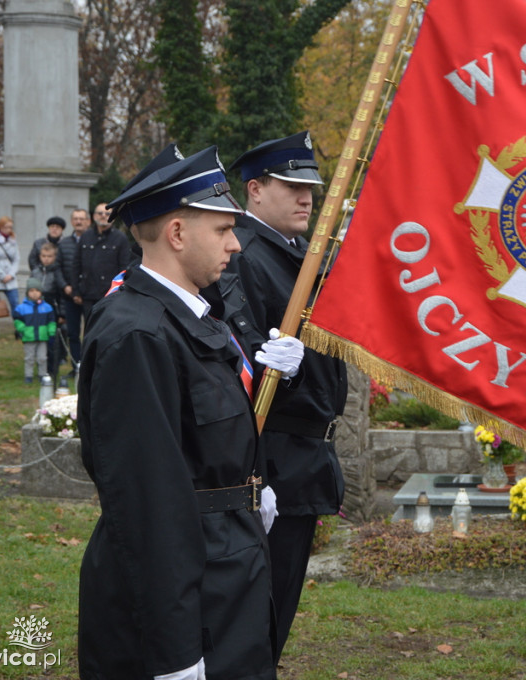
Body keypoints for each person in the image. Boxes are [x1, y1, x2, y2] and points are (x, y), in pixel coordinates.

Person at [77, 143, 303, 680]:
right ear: (177, 234)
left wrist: (251, 486)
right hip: (188, 589)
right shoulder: (137, 332)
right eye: (223, 231)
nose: (236, 246)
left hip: (224, 568)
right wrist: (175, 651)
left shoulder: (192, 317)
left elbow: (212, 437)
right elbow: (147, 503)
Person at [225, 130, 347, 661]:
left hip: (303, 457)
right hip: (272, 455)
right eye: (292, 185)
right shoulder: (246, 254)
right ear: (254, 190)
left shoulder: (294, 250)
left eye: (311, 188)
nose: (307, 198)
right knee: (256, 619)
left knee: (274, 617)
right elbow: (239, 357)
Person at [71, 202, 130, 323]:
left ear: (113, 217)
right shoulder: (85, 236)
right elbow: (76, 265)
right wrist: (75, 291)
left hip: (110, 294)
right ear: (94, 216)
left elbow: (124, 268)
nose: (103, 215)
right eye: (100, 213)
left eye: (107, 213)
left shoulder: (121, 238)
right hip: (88, 293)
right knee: (89, 328)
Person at [59, 208, 88, 373]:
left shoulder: (93, 241)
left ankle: (88, 365)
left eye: (81, 219)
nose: (78, 221)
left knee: (91, 332)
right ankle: (76, 365)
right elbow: (57, 268)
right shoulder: (64, 244)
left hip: (90, 294)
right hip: (69, 295)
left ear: (87, 221)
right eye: (76, 219)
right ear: (71, 222)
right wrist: (65, 286)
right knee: (73, 333)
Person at [31, 241, 65, 377]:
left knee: (52, 341)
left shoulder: (57, 273)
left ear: (54, 257)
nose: (46, 259)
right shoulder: (35, 272)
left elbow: (61, 295)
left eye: (49, 256)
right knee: (38, 339)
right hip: (37, 309)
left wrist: (62, 313)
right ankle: (40, 368)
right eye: (44, 256)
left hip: (52, 308)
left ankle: (52, 369)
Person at [12, 278, 56, 384]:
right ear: (27, 293)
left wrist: (51, 333)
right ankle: (28, 376)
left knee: (42, 358)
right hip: (29, 337)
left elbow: (51, 322)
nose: (34, 293)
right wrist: (23, 330)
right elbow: (17, 321)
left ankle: (42, 375)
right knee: (29, 358)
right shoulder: (21, 308)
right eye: (31, 291)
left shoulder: (47, 307)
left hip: (42, 337)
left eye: (37, 290)